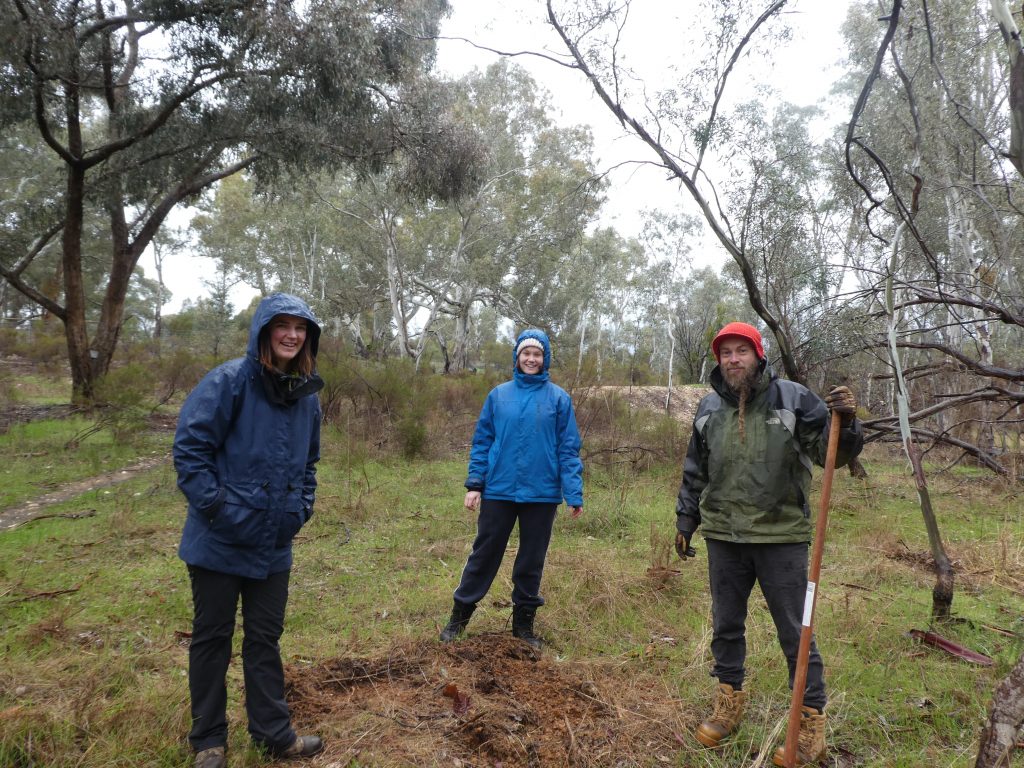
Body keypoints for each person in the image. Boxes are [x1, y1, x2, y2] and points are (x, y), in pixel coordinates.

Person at [674, 322, 863, 767]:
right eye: (726, 353)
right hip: (724, 536)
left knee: (796, 634)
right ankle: (728, 705)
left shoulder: (794, 399)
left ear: (759, 356)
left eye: (742, 351)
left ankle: (810, 726)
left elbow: (833, 454)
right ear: (718, 360)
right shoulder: (706, 408)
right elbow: (694, 469)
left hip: (781, 537)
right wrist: (687, 518)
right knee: (725, 626)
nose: (734, 359)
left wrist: (848, 422)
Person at [174, 294, 326, 768]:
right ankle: (209, 742)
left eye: (300, 328)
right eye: (281, 325)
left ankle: (273, 735)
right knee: (212, 639)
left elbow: (309, 465)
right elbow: (190, 451)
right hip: (218, 539)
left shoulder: (306, 395)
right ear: (263, 330)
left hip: (273, 543)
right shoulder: (229, 382)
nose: (291, 334)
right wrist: (218, 509)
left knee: (264, 640)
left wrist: (300, 508)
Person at [439, 329, 584, 649]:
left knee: (531, 560)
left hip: (542, 494)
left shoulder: (559, 399)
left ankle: (523, 628)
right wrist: (475, 484)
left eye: (537, 354)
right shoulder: (498, 396)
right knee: (484, 554)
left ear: (545, 359)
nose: (531, 359)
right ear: (517, 357)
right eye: (526, 353)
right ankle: (458, 620)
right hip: (499, 491)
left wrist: (573, 492)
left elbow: (568, 449)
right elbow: (482, 443)